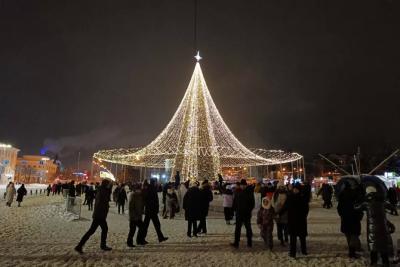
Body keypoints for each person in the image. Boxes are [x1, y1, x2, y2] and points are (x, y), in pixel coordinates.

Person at [355, 186, 395, 266]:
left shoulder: (366, 204)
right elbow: (391, 207)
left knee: (373, 246)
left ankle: (374, 262)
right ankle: (385, 262)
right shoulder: (382, 202)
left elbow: (356, 208)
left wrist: (357, 201)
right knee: (383, 246)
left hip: (372, 229)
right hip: (383, 227)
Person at [75, 179, 112, 254]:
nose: (109, 186)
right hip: (99, 215)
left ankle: (80, 246)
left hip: (100, 214)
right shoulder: (103, 191)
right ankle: (80, 246)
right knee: (97, 230)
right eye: (108, 184)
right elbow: (102, 202)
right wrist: (102, 211)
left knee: (95, 230)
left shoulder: (102, 190)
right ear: (106, 184)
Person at [337, 183, 363, 258]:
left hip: (345, 217)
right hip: (354, 217)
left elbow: (339, 207)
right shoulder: (355, 194)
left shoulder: (342, 195)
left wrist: (341, 214)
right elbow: (359, 206)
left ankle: (351, 251)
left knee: (348, 234)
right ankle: (352, 252)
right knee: (354, 234)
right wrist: (359, 215)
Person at [142, 179, 168, 244]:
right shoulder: (151, 189)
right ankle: (141, 238)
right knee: (148, 225)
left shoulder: (151, 188)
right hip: (151, 210)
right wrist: (154, 208)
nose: (157, 183)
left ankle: (160, 237)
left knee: (154, 225)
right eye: (156, 182)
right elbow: (151, 200)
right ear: (154, 182)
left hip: (150, 210)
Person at [231, 179, 255, 248]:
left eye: (244, 185)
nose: (243, 186)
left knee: (248, 228)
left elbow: (252, 203)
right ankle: (236, 242)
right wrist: (234, 210)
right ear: (240, 185)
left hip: (246, 213)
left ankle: (249, 242)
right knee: (237, 228)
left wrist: (248, 210)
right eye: (242, 185)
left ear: (246, 185)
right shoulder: (237, 192)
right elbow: (235, 202)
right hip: (239, 213)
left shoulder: (249, 192)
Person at [287, 183, 308, 258]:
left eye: (296, 189)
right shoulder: (290, 197)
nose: (295, 190)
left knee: (302, 238)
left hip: (300, 220)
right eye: (294, 189)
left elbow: (306, 209)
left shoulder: (302, 198)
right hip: (293, 221)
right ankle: (293, 253)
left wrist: (303, 215)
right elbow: (286, 207)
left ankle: (304, 251)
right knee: (293, 238)